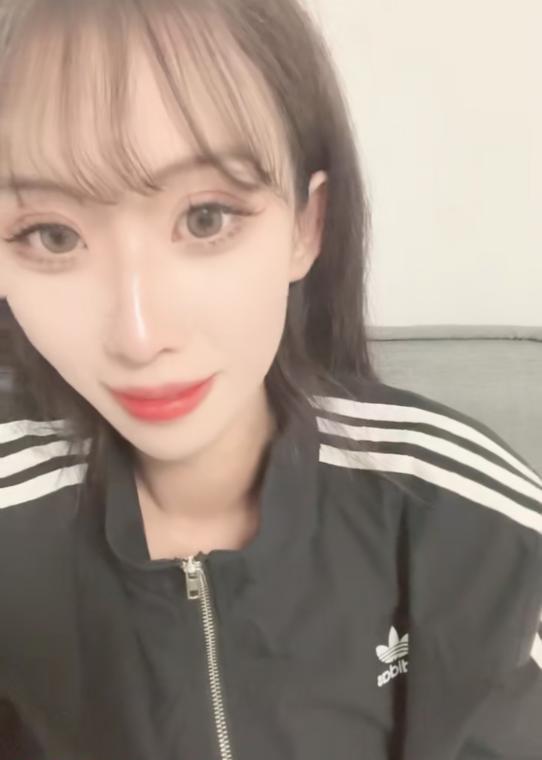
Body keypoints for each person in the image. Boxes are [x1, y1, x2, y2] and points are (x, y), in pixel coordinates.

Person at [0, 0, 540, 758]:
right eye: (52, 235)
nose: (139, 336)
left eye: (206, 218)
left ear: (305, 226)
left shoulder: (474, 525)